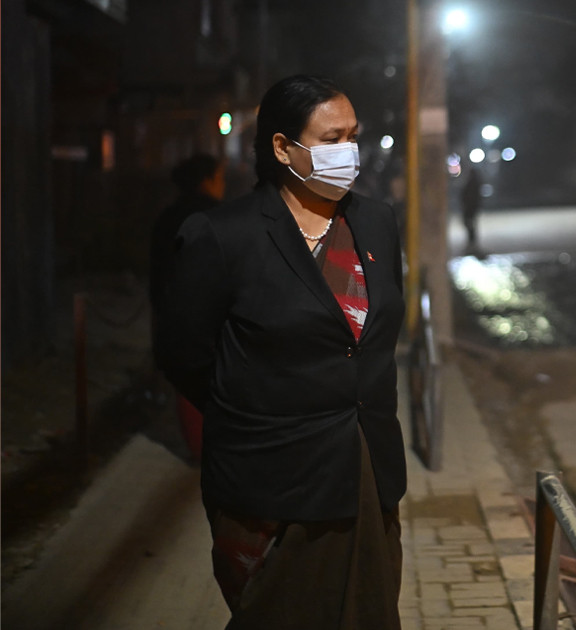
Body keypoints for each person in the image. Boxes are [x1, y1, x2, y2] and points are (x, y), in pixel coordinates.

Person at [154, 75, 407, 629]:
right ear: (281, 147)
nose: (349, 152)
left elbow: (381, 333)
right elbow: (184, 353)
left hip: (365, 469)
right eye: (331, 138)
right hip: (274, 480)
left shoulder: (375, 223)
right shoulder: (224, 235)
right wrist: (262, 409)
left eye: (353, 136)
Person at [150, 153, 225, 463]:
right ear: (207, 180)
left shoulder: (167, 217)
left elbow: (158, 271)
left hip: (175, 315)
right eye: (219, 178)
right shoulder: (219, 216)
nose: (222, 185)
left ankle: (198, 448)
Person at [460, 166, 482, 247]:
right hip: (470, 208)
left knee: (470, 224)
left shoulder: (472, 184)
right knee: (470, 224)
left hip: (470, 208)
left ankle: (472, 241)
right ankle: (471, 241)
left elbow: (471, 197)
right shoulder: (473, 183)